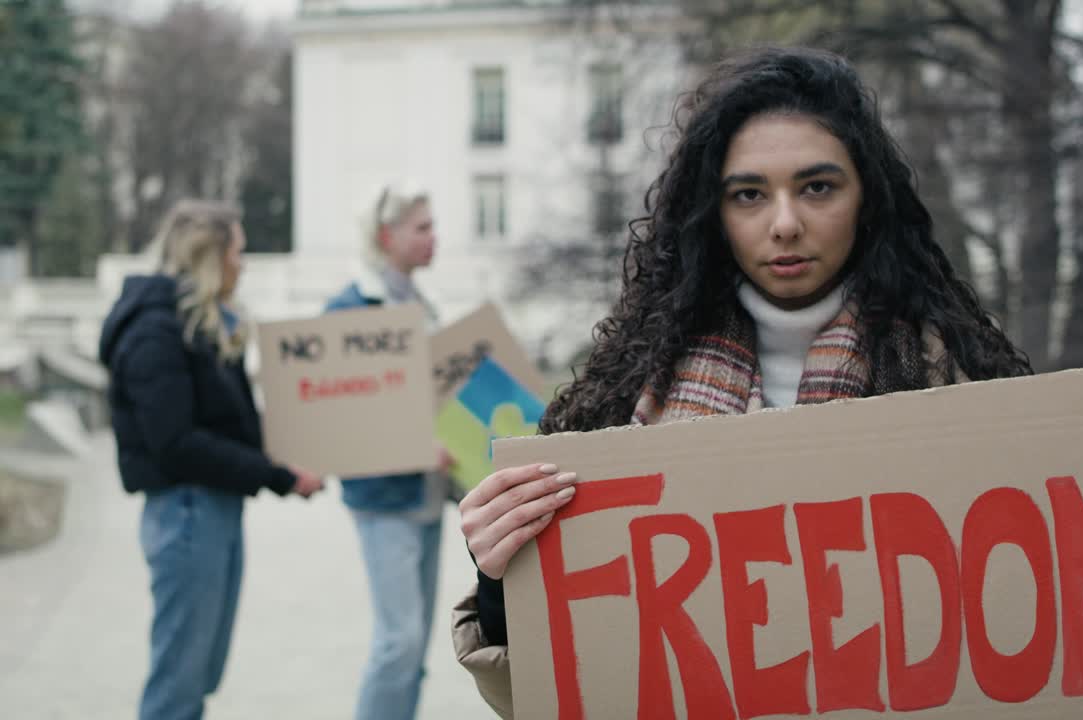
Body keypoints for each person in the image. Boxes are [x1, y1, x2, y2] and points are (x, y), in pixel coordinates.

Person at [449, 46, 1034, 716]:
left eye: (817, 187)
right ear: (713, 213)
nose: (785, 223)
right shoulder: (625, 397)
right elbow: (559, 689)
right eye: (749, 194)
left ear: (866, 199)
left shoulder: (957, 389)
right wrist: (500, 586)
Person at [99, 199, 324, 720]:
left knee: (198, 676)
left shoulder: (195, 326)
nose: (243, 263)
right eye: (238, 251)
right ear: (211, 256)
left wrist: (291, 453)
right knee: (177, 685)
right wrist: (280, 476)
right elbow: (175, 444)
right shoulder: (154, 332)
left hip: (210, 512)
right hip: (187, 515)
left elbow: (230, 424)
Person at [324, 183, 450, 720]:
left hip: (428, 491)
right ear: (386, 235)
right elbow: (339, 415)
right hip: (383, 496)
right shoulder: (349, 309)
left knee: (415, 646)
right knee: (398, 641)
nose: (433, 237)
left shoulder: (423, 306)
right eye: (421, 227)